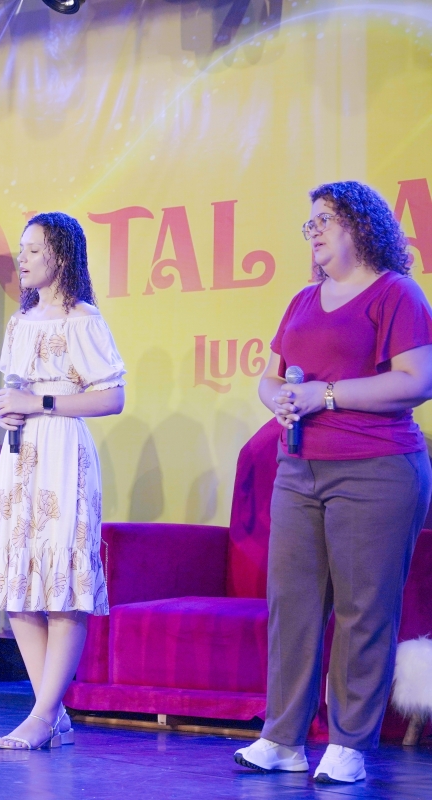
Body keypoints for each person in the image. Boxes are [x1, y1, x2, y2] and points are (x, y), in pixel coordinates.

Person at [233, 181, 432, 784]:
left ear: (360, 226)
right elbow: (271, 378)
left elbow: (416, 380)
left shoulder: (395, 293)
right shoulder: (302, 299)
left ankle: (349, 744)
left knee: (363, 610)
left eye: (325, 220)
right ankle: (282, 738)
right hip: (299, 468)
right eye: (309, 223)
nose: (313, 231)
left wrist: (325, 395)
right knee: (291, 606)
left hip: (376, 469)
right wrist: (278, 400)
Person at [0, 212, 126, 749]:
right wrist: (7, 407)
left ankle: (41, 716)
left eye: (34, 249)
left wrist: (39, 402)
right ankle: (50, 710)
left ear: (61, 256)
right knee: (18, 585)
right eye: (21, 249)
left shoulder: (82, 319)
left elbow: (112, 397)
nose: (22, 259)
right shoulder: (20, 322)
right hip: (20, 456)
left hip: (62, 452)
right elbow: (13, 388)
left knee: (61, 587)